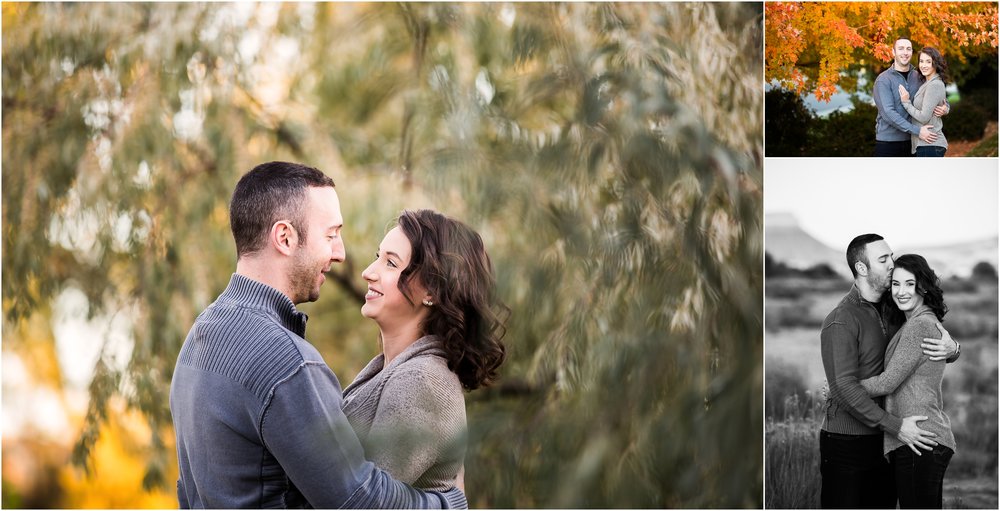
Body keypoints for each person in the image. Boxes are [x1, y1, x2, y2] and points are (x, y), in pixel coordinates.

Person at [169, 162, 467, 508]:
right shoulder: (286, 363)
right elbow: (357, 500)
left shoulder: (200, 337)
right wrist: (450, 504)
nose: (340, 253)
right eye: (330, 235)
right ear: (285, 237)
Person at [342, 209, 507, 491]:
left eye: (391, 264)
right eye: (376, 258)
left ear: (431, 290)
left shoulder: (421, 380)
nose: (368, 273)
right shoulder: (393, 370)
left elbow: (360, 500)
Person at [819, 233, 959, 509]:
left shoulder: (896, 310)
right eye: (884, 259)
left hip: (889, 439)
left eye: (891, 257)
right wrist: (841, 391)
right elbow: (845, 387)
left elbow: (926, 341)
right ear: (862, 268)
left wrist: (953, 348)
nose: (892, 264)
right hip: (849, 441)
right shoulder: (841, 319)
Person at [860, 254, 956, 508]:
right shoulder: (917, 321)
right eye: (896, 284)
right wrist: (955, 348)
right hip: (922, 440)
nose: (901, 291)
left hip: (919, 439)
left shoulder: (919, 326)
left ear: (923, 286)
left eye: (910, 284)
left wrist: (842, 389)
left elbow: (887, 382)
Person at [873, 38, 948, 157]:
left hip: (914, 142)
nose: (905, 52)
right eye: (901, 48)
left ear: (912, 52)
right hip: (889, 143)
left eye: (908, 49)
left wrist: (945, 108)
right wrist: (917, 131)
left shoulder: (920, 76)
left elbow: (935, 95)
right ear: (893, 52)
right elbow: (888, 113)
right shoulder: (883, 80)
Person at [898, 47, 950, 157]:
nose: (923, 65)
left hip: (931, 144)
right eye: (921, 61)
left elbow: (924, 116)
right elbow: (941, 103)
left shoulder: (934, 84)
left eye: (928, 62)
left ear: (935, 63)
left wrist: (906, 103)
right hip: (926, 144)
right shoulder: (927, 82)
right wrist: (946, 108)